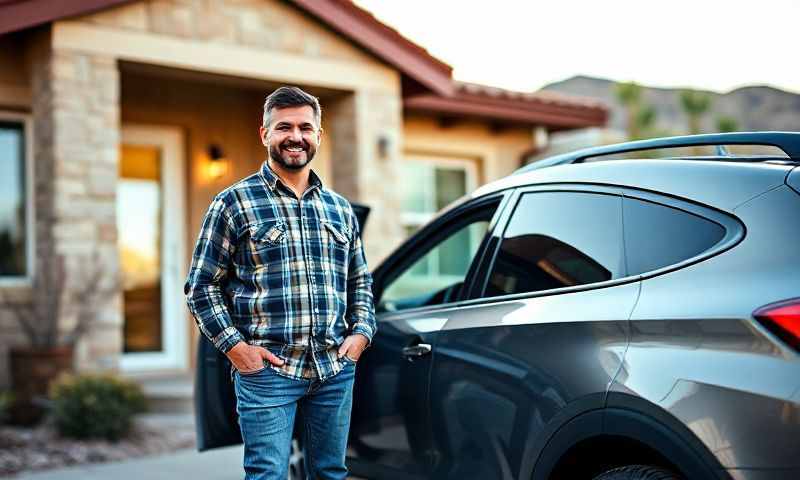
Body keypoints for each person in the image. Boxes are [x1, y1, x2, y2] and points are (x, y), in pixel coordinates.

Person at [184, 86, 377, 480]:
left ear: (319, 136)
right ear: (265, 134)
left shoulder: (340, 209)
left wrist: (359, 337)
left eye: (306, 127)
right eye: (283, 127)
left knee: (330, 473)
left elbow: (360, 282)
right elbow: (201, 287)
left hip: (333, 369)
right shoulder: (233, 203)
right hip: (268, 373)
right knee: (268, 475)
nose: (296, 136)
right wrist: (238, 351)